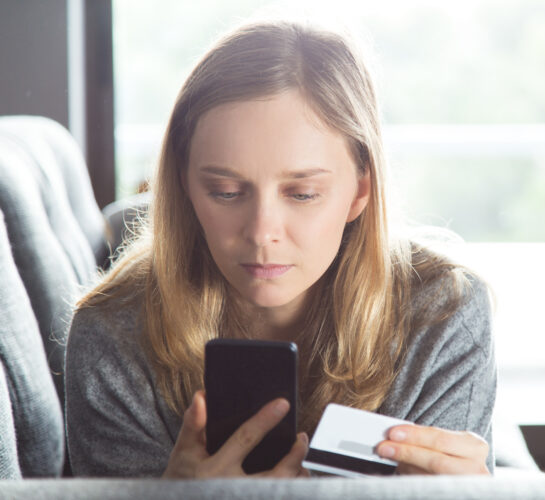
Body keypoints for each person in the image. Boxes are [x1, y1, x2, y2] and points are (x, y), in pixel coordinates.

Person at [65, 19, 496, 478]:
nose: (261, 232)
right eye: (227, 191)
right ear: (184, 187)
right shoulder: (112, 337)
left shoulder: (443, 314)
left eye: (302, 194)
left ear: (360, 190)